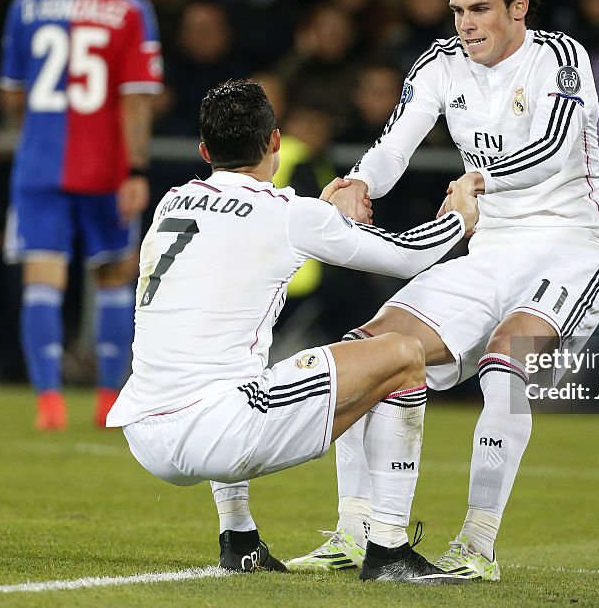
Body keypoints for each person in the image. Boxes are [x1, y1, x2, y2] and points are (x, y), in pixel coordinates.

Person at [288, 0, 599, 580]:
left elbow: (550, 149)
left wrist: (479, 180)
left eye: (480, 9)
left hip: (570, 246)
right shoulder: (441, 65)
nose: (465, 24)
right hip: (489, 249)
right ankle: (355, 531)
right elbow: (394, 146)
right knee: (374, 350)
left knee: (506, 358)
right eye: (457, 10)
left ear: (518, 7)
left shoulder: (560, 58)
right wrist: (359, 184)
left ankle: (478, 544)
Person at [106, 78, 478, 583]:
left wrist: (323, 216)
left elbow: (265, 226)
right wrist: (458, 219)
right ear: (275, 141)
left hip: (143, 433)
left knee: (234, 369)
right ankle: (388, 548)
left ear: (203, 150)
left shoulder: (174, 201)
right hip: (216, 431)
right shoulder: (288, 214)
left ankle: (239, 538)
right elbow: (407, 257)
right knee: (402, 356)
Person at [0, 0, 162, 430]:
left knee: (42, 278)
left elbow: (11, 92)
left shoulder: (26, 5)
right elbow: (137, 100)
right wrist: (136, 168)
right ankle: (108, 401)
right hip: (107, 166)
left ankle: (49, 403)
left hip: (39, 164)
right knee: (114, 274)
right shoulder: (131, 9)